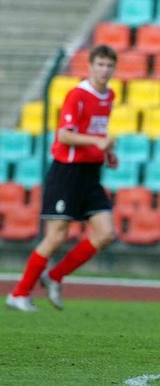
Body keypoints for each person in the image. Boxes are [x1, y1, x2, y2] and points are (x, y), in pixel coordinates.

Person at [6, 44, 119, 312]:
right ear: (90, 66)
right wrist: (96, 141)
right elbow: (65, 135)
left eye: (109, 65)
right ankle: (19, 293)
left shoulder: (109, 96)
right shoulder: (77, 95)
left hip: (90, 173)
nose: (104, 70)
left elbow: (95, 134)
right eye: (100, 64)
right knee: (56, 236)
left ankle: (55, 276)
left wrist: (106, 154)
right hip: (67, 171)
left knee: (105, 233)